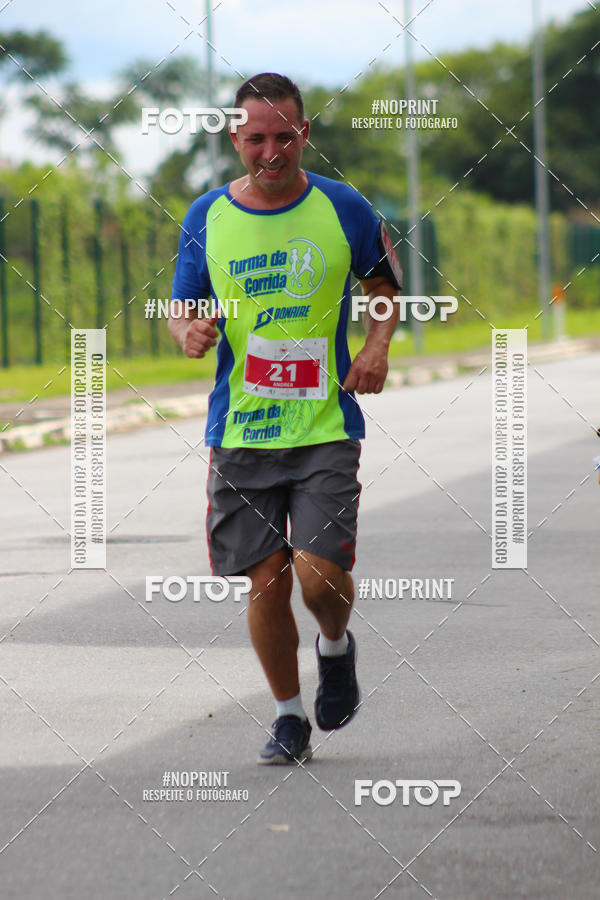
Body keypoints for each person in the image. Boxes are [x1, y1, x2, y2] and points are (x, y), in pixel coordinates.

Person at [169, 73, 402, 764]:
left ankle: (335, 646)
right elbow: (182, 305)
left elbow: (382, 285)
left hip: (325, 424)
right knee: (265, 582)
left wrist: (377, 346)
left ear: (305, 133)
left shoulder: (344, 207)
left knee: (315, 573)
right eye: (256, 138)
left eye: (285, 135)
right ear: (235, 139)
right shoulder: (207, 215)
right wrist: (185, 332)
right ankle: (288, 717)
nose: (271, 150)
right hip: (240, 431)